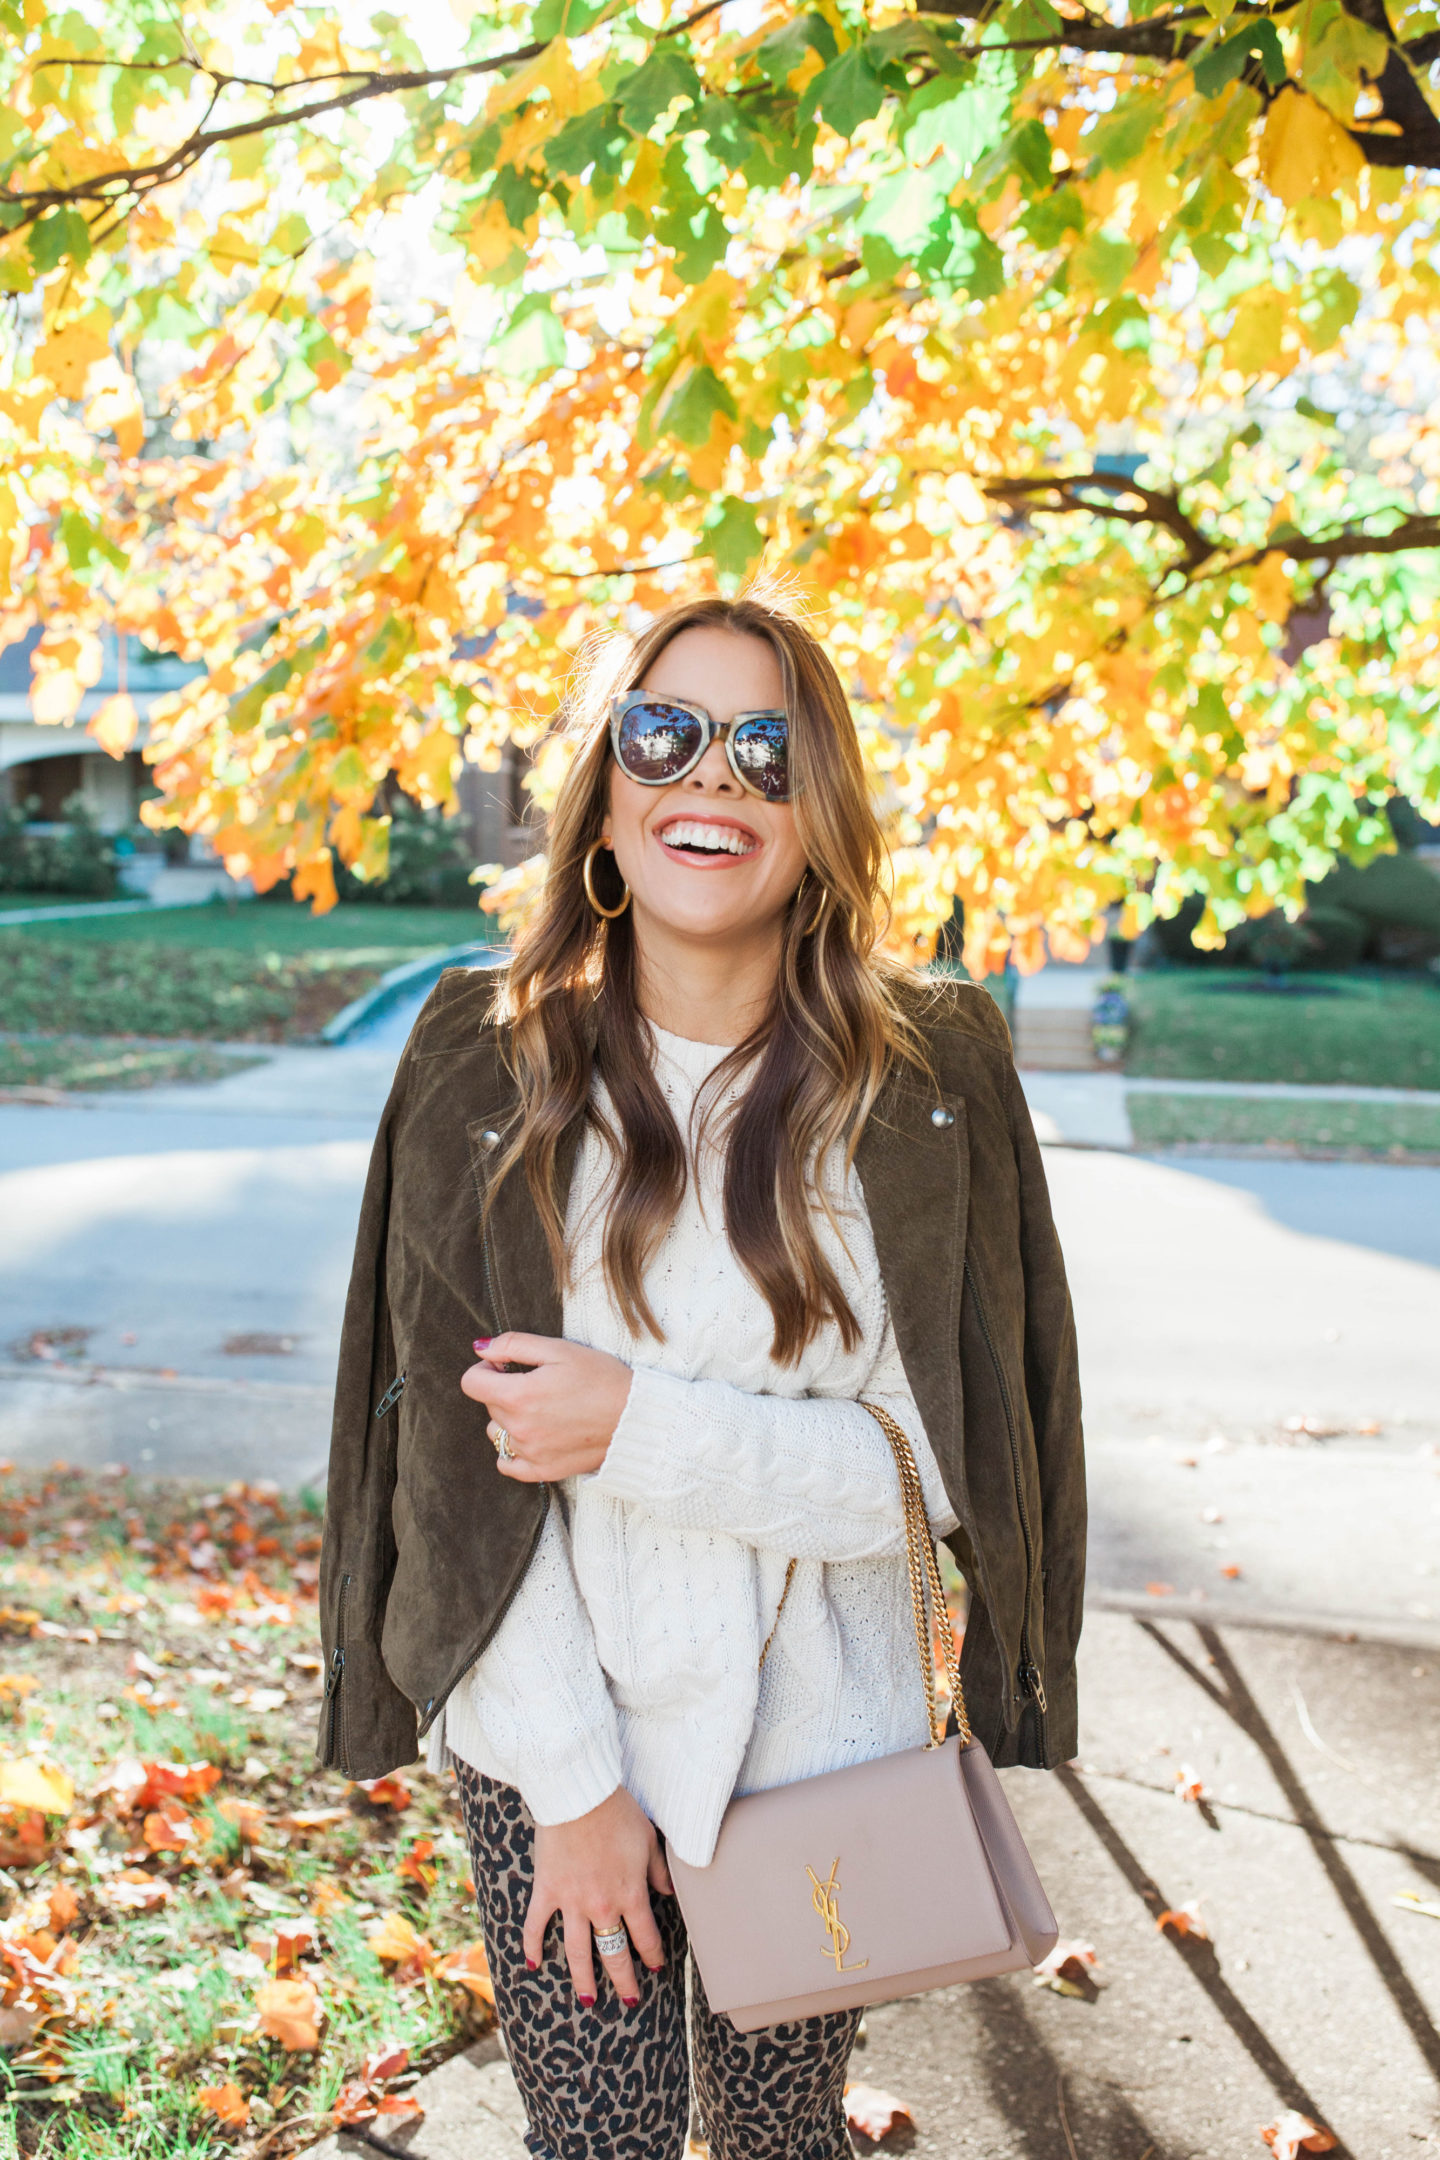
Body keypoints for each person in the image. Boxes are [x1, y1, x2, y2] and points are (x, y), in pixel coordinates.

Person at [317, 591, 1085, 2160]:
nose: (712, 780)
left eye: (766, 747)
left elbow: (930, 1475)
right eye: (664, 733)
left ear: (824, 811)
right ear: (606, 793)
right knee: (594, 2146)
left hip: (822, 1753)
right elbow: (455, 1483)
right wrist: (578, 1792)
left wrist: (631, 1428)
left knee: (775, 2143)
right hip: (553, 1732)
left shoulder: (929, 1079)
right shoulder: (485, 1061)